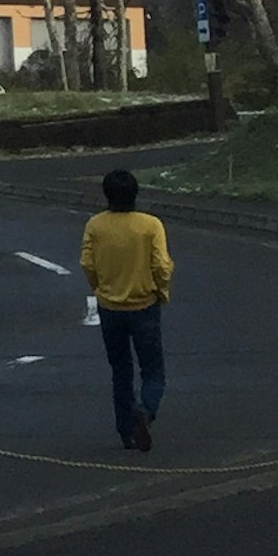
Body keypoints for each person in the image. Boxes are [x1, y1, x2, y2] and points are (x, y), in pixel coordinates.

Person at [81, 166, 173, 451]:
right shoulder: (150, 225)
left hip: (110, 307)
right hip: (144, 304)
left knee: (120, 371)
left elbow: (87, 264)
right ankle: (144, 410)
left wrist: (100, 287)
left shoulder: (95, 225)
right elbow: (161, 265)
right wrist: (161, 289)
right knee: (153, 371)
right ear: (136, 193)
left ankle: (126, 432)